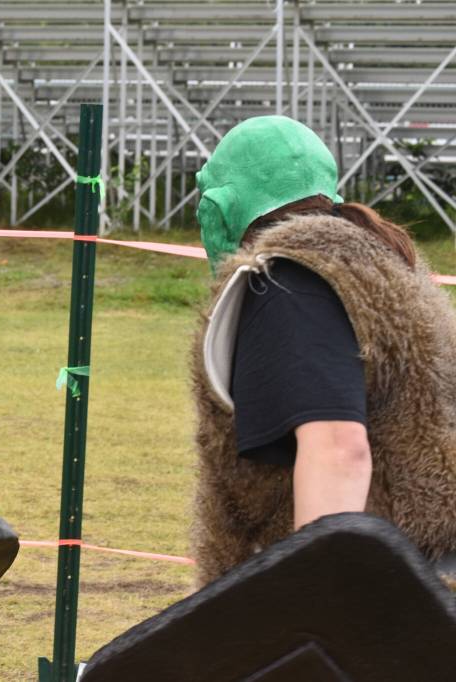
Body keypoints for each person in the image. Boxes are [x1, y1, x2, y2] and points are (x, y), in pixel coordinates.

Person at [190, 115, 456, 586]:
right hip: (416, 585)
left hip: (386, 599)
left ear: (222, 206)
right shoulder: (367, 267)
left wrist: (317, 606)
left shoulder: (292, 280)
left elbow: (338, 450)